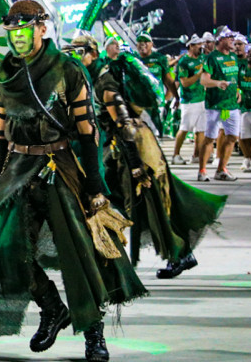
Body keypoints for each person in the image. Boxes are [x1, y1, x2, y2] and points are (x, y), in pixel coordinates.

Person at [0, 0, 145, 362]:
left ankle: (93, 331)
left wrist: (94, 183)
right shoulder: (3, 71)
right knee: (9, 250)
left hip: (59, 163)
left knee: (81, 250)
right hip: (18, 166)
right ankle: (51, 306)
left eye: (25, 29)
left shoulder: (67, 69)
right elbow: (0, 132)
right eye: (12, 31)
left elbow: (87, 130)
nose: (18, 37)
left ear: (43, 28)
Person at [74, 34, 224, 280]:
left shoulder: (104, 81)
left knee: (153, 204)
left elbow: (124, 124)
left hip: (136, 150)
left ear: (92, 52)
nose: (76, 58)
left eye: (80, 52)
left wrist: (135, 166)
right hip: (116, 150)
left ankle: (180, 254)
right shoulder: (90, 77)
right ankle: (106, 255)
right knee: (106, 200)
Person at [201, 30, 242, 181]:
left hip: (229, 106)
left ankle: (221, 169)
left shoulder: (232, 56)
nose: (232, 40)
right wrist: (217, 83)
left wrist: (238, 90)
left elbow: (234, 76)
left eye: (233, 38)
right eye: (229, 38)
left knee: (231, 136)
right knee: (210, 138)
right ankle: (202, 171)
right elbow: (204, 81)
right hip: (215, 106)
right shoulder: (212, 58)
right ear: (221, 39)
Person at [172, 35, 208, 166]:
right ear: (191, 46)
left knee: (201, 130)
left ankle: (196, 155)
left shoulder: (203, 58)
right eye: (198, 44)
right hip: (189, 101)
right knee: (185, 128)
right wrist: (199, 74)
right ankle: (176, 155)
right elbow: (185, 83)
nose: (201, 46)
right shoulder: (184, 62)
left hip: (202, 99)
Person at [135, 33, 175, 135]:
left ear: (152, 44)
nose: (142, 44)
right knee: (140, 134)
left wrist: (166, 99)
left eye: (145, 42)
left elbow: (168, 80)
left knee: (154, 133)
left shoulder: (160, 58)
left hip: (156, 103)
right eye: (140, 42)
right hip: (138, 104)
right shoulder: (133, 59)